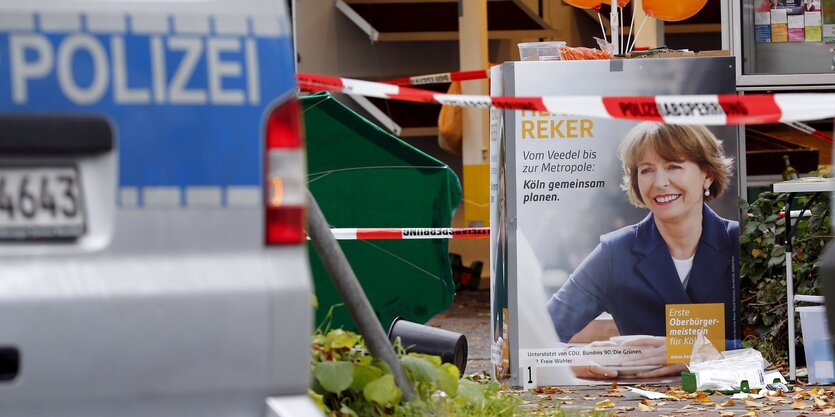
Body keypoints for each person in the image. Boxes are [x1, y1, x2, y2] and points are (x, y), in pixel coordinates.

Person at [545, 122, 740, 379]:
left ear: (708, 174)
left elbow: (786, 348)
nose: (659, 183)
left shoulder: (741, 243)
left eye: (674, 166)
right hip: (638, 403)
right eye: (646, 170)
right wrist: (574, 358)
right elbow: (537, 336)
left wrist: (699, 351)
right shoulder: (615, 253)